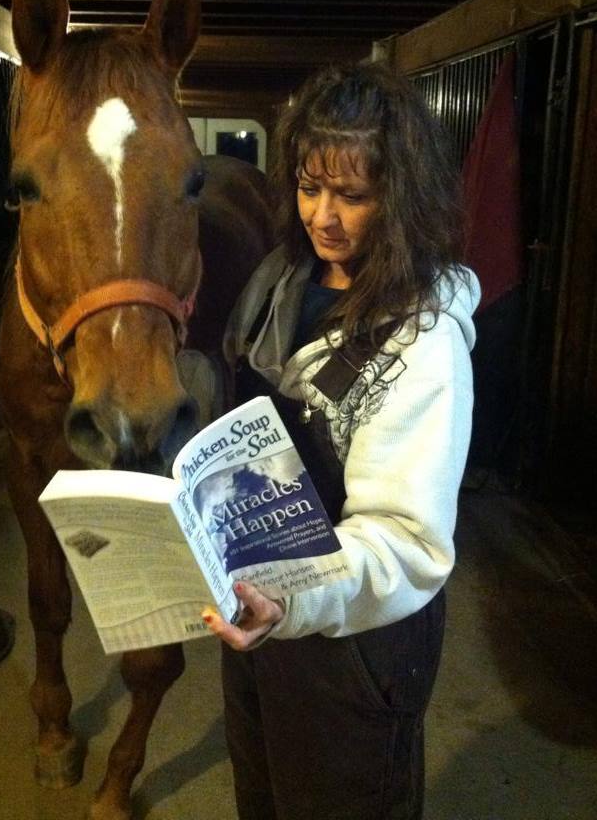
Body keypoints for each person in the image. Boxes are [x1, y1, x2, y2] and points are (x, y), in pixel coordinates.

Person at [199, 61, 480, 820]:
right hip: (262, 617)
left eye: (352, 196)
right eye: (308, 187)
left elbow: (407, 542)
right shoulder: (277, 283)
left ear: (401, 196)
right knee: (264, 796)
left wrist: (291, 598)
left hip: (358, 642)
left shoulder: (421, 344)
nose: (322, 217)